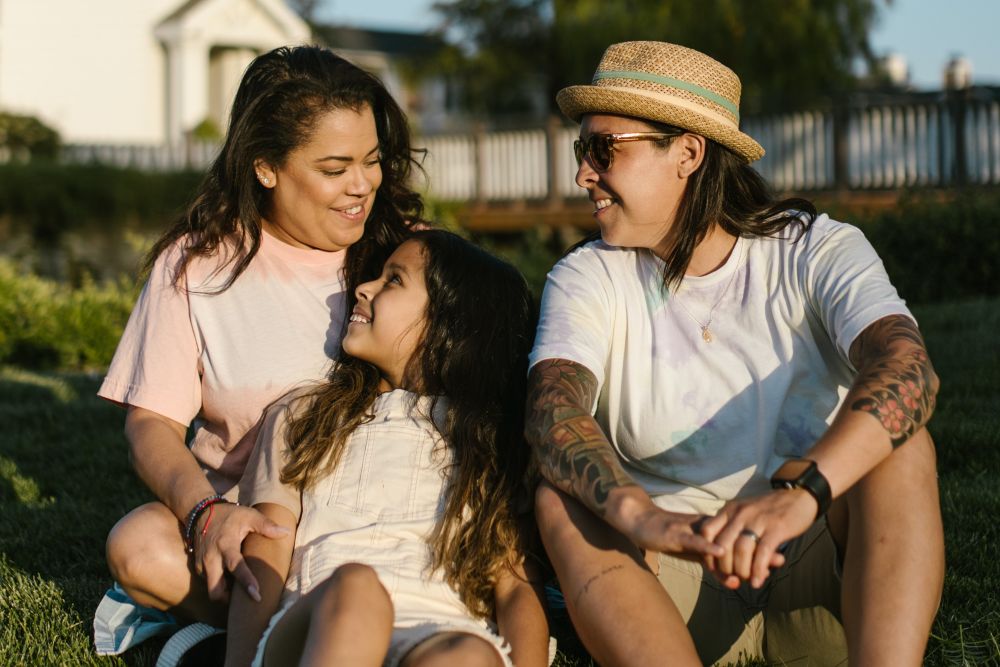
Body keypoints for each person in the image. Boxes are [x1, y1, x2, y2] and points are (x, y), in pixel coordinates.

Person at [526, 41, 943, 666]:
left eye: (603, 149)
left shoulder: (813, 250)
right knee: (559, 496)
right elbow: (551, 412)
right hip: (673, 579)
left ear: (688, 152)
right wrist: (644, 519)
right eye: (581, 150)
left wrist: (803, 494)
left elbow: (909, 369)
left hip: (814, 559)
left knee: (904, 445)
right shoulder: (588, 277)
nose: (583, 172)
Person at [95, 44, 425, 644]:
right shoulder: (197, 267)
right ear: (265, 165)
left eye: (372, 161)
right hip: (257, 528)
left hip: (384, 518)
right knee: (139, 547)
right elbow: (151, 425)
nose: (362, 186)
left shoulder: (409, 259)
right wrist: (206, 513)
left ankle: (267, 635)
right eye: (334, 169)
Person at [223, 230, 549, 667]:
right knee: (358, 588)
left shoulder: (489, 439)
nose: (363, 287)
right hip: (319, 618)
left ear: (450, 324)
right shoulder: (305, 415)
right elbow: (267, 546)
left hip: (441, 626)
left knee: (468, 655)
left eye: (393, 280)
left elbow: (513, 584)